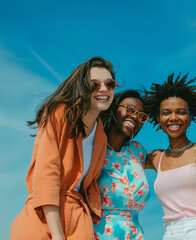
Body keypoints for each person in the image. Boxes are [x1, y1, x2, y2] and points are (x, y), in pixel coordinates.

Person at [10, 57, 117, 240]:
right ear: (82, 86)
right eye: (94, 84)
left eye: (110, 84)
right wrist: (58, 235)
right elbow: (47, 173)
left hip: (78, 219)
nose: (104, 89)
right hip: (44, 216)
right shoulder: (60, 113)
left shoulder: (101, 134)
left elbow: (89, 186)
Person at [144, 73, 196, 240]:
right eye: (166, 113)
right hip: (170, 233)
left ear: (190, 117)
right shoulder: (155, 158)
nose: (173, 118)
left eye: (181, 112)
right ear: (158, 119)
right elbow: (118, 158)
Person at [93, 90, 150, 240]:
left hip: (134, 234)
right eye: (130, 109)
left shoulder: (138, 151)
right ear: (113, 108)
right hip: (98, 234)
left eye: (141, 116)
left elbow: (170, 158)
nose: (135, 117)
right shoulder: (92, 148)